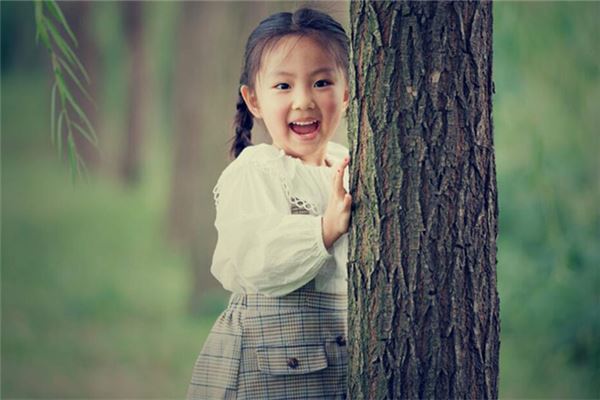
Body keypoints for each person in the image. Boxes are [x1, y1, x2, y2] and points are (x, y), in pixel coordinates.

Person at [187, 7, 352, 399]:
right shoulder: (257, 170)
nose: (303, 101)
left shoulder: (347, 165)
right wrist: (322, 231)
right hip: (268, 373)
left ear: (346, 93)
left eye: (322, 82)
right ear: (254, 99)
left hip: (335, 369)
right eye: (283, 86)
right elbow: (256, 254)